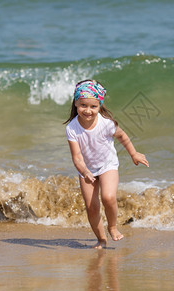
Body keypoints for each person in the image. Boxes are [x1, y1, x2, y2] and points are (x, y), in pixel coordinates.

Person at [64, 79, 149, 249]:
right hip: (86, 169)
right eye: (83, 105)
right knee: (92, 207)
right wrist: (85, 171)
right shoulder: (72, 128)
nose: (88, 110)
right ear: (76, 103)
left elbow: (122, 136)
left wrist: (133, 153)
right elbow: (77, 157)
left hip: (107, 165)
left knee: (108, 197)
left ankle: (112, 226)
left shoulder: (106, 124)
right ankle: (101, 239)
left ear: (100, 106)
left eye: (93, 107)